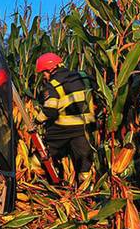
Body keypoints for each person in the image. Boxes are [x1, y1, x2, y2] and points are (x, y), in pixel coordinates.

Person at [34, 52, 96, 185]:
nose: (44, 77)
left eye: (44, 73)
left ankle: (36, 174)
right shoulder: (83, 76)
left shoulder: (53, 84)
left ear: (50, 70)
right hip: (87, 126)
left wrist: (37, 120)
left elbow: (50, 111)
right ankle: (86, 191)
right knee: (84, 161)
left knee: (46, 150)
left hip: (65, 127)